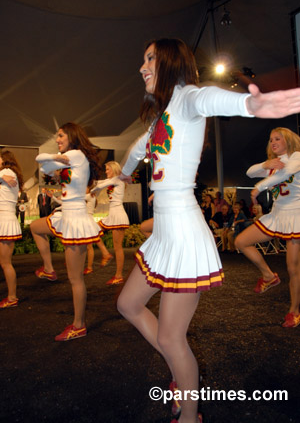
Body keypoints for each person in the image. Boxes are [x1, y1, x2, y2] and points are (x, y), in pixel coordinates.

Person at [115, 37, 300, 423]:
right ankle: (182, 375)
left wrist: (250, 105)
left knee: (170, 337)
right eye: (143, 59)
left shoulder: (187, 97)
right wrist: (125, 173)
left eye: (150, 58)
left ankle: (189, 413)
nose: (142, 66)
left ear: (169, 61)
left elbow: (211, 100)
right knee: (127, 305)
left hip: (183, 232)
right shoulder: (163, 114)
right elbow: (138, 146)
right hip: (164, 232)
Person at [30, 122, 102, 341]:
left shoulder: (77, 155)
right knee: (35, 227)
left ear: (71, 136)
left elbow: (41, 159)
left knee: (75, 279)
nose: (57, 139)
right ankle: (49, 268)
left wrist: (55, 158)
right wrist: (55, 159)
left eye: (60, 135)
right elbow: (41, 165)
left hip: (75, 219)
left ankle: (79, 325)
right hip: (66, 214)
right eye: (56, 136)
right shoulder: (68, 156)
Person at [235, 127, 300, 328]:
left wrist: (259, 187)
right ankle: (269, 276)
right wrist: (266, 164)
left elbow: (286, 173)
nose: (273, 142)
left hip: (296, 214)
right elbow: (249, 171)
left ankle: (294, 311)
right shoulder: (273, 164)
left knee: (292, 267)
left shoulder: (297, 156)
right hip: (277, 214)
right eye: (271, 139)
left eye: (277, 139)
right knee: (241, 241)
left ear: (288, 140)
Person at [92, 161, 129, 285]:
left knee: (118, 247)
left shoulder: (118, 179)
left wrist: (90, 186)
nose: (106, 171)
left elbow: (99, 185)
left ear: (114, 169)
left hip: (118, 215)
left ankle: (118, 275)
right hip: (112, 214)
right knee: (93, 229)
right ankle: (105, 253)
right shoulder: (114, 180)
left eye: (108, 169)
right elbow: (100, 183)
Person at [0, 151, 24, 309]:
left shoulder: (6, 173)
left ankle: (12, 297)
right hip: (6, 219)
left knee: (5, 262)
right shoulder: (7, 174)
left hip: (4, 220)